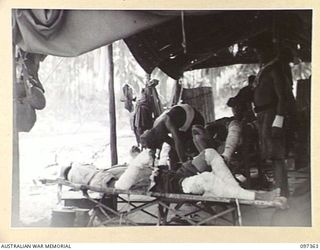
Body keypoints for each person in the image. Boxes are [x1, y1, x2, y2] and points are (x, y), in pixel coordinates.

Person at [250, 32, 296, 197]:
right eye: (256, 53)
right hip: (263, 115)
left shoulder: (275, 69)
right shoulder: (265, 69)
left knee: (276, 155)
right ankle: (279, 190)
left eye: (260, 52)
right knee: (270, 154)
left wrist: (278, 121)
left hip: (272, 115)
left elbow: (282, 97)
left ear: (268, 50)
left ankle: (282, 194)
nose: (258, 56)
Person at [140, 103, 205, 169]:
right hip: (183, 125)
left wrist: (184, 162)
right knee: (174, 154)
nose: (145, 131)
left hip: (196, 119)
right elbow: (173, 143)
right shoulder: (159, 132)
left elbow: (178, 142)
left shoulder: (167, 121)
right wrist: (185, 153)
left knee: (194, 147)